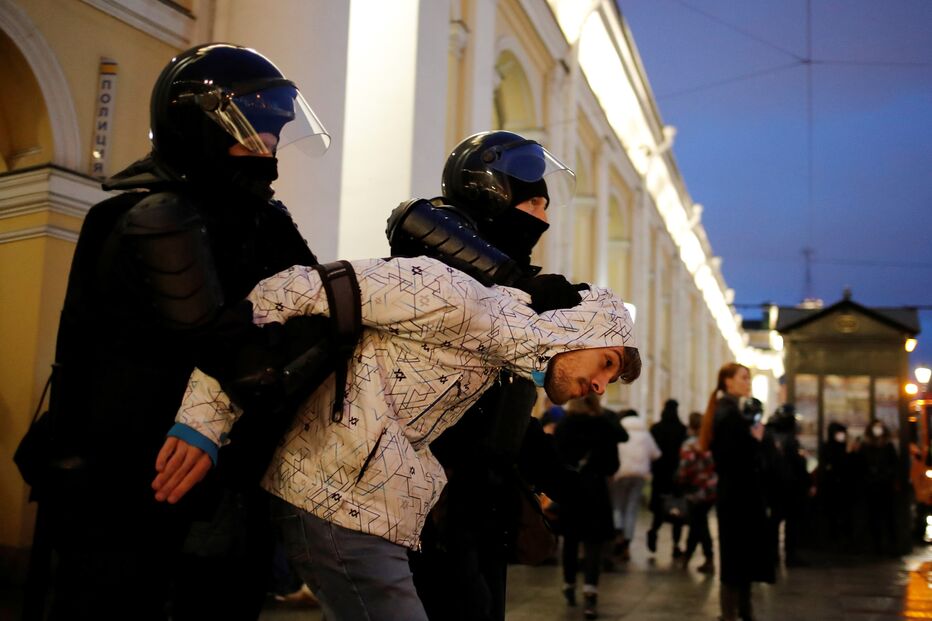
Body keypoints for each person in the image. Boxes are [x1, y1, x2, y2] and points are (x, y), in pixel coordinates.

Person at [157, 254, 642, 621]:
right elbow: (285, 291)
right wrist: (204, 417)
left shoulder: (497, 355)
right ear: (582, 327)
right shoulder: (455, 297)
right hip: (331, 498)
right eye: (607, 363)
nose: (600, 386)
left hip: (366, 509)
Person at [27, 43, 333, 620]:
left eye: (273, 136)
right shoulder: (152, 216)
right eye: (253, 133)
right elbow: (243, 357)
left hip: (228, 483)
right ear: (198, 127)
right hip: (130, 486)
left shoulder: (265, 220)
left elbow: (319, 318)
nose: (268, 152)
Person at [387, 129, 585, 621]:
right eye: (533, 203)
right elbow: (411, 221)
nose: (542, 218)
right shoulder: (440, 250)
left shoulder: (507, 291)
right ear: (492, 192)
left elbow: (503, 398)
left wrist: (556, 474)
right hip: (429, 499)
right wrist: (522, 285)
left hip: (481, 501)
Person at [699, 363, 775, 621]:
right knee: (736, 555)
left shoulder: (730, 411)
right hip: (738, 496)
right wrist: (755, 441)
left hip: (736, 494)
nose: (748, 382)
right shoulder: (729, 414)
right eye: (743, 378)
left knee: (740, 554)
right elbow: (735, 457)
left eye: (749, 378)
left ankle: (740, 610)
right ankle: (732, 613)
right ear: (728, 382)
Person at [555, 394, 621, 620]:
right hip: (595, 490)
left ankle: (569, 584)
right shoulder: (604, 426)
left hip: (571, 489)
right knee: (593, 543)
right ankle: (590, 592)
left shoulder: (564, 425)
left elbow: (556, 460)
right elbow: (613, 465)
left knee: (570, 540)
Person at [763, 404, 812, 567]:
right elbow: (798, 463)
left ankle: (774, 555)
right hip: (787, 487)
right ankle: (788, 556)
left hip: (775, 487)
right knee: (788, 522)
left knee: (775, 523)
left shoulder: (770, 434)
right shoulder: (787, 438)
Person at [610, 410, 660, 563]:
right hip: (639, 476)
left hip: (619, 474)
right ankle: (627, 541)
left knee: (617, 506)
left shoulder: (618, 432)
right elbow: (656, 454)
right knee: (631, 508)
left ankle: (617, 531)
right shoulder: (645, 435)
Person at [675, 411, 717, 574]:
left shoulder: (690, 445)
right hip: (710, 487)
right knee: (698, 523)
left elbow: (685, 468)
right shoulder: (708, 442)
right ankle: (689, 555)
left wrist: (679, 480)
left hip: (695, 489)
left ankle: (707, 557)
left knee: (699, 524)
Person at [647, 398, 688, 558]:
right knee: (677, 511)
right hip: (676, 476)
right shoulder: (682, 429)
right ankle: (676, 545)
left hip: (660, 475)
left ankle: (653, 531)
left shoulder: (656, 428)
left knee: (659, 509)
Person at [857, 419, 900, 555]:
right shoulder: (866, 446)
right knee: (873, 517)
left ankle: (891, 545)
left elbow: (895, 465)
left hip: (885, 486)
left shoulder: (888, 446)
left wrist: (888, 475)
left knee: (888, 517)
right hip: (871, 487)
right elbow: (861, 465)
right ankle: (877, 545)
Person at [816, 421, 854, 550]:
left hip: (844, 489)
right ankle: (833, 541)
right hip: (831, 489)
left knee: (845, 516)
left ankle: (844, 540)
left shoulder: (846, 448)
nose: (841, 436)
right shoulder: (828, 448)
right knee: (831, 516)